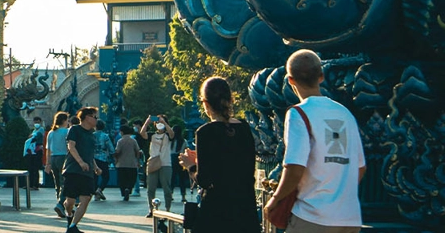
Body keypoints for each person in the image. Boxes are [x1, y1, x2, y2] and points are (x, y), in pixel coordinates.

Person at [263, 50, 365, 233]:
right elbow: (360, 167)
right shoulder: (345, 114)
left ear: (290, 80)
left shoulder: (298, 114)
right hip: (349, 218)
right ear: (321, 77)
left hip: (313, 215)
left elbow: (295, 167)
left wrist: (275, 199)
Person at [177, 76, 258, 233]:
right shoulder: (244, 129)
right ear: (230, 99)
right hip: (245, 210)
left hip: (216, 213)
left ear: (205, 103)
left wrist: (191, 166)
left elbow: (205, 180)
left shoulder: (205, 132)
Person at [61, 107, 102, 233]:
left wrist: (95, 166)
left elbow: (90, 154)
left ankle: (73, 227)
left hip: (87, 171)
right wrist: (80, 162)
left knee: (86, 198)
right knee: (70, 201)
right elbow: (71, 146)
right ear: (87, 117)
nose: (96, 120)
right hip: (73, 169)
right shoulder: (75, 129)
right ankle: (69, 215)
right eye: (94, 117)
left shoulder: (92, 135)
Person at [140, 112, 176, 215]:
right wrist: (147, 122)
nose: (159, 124)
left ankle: (168, 208)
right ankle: (151, 209)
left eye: (161, 122)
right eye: (157, 122)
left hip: (165, 163)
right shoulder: (152, 135)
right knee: (151, 187)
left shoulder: (167, 135)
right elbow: (142, 133)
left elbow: (172, 134)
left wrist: (164, 122)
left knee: (167, 188)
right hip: (153, 162)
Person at [45, 111, 71, 217]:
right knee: (65, 182)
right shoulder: (67, 132)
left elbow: (48, 150)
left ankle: (60, 203)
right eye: (67, 120)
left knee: (57, 183)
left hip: (54, 158)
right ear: (64, 121)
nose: (68, 122)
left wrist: (48, 163)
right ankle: (60, 204)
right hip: (63, 158)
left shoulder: (51, 133)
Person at [115, 123, 141, 201]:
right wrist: (138, 161)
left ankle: (124, 191)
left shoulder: (120, 141)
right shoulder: (133, 140)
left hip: (121, 164)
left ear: (122, 132)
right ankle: (128, 189)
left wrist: (116, 159)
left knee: (122, 180)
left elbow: (117, 151)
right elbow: (137, 151)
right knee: (131, 179)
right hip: (132, 164)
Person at [92, 119, 113, 201]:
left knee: (94, 177)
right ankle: (100, 189)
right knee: (106, 176)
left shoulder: (91, 135)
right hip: (103, 158)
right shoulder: (105, 136)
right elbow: (111, 148)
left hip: (93, 159)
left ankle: (96, 193)